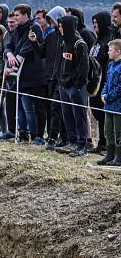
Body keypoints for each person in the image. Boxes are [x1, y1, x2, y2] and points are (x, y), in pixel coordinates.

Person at [6, 4, 46, 144]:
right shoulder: (18, 30)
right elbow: (9, 46)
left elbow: (28, 49)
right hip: (21, 74)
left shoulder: (34, 28)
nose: (15, 18)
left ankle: (38, 135)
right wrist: (9, 54)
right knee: (16, 101)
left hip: (34, 74)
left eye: (17, 15)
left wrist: (14, 62)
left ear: (25, 15)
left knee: (36, 106)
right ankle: (20, 131)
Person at [33, 6, 67, 150]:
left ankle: (56, 138)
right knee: (52, 109)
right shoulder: (51, 37)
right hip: (49, 78)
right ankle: (53, 137)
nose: (51, 22)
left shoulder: (66, 39)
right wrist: (34, 42)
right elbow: (42, 53)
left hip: (61, 79)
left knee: (57, 110)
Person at [57, 15, 90, 156]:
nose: (59, 28)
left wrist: (77, 85)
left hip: (76, 87)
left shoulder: (80, 44)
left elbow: (83, 68)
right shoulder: (64, 42)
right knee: (67, 115)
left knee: (79, 116)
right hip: (64, 86)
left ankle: (82, 145)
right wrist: (61, 80)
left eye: (61, 25)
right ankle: (72, 141)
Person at [89, 11, 113, 154]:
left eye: (96, 23)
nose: (94, 26)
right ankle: (100, 142)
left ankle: (105, 144)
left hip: (103, 81)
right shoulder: (97, 40)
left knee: (104, 115)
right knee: (97, 113)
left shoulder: (109, 39)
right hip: (94, 83)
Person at [97, 39, 121, 166]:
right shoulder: (111, 65)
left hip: (118, 106)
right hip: (108, 105)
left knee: (118, 131)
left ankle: (119, 156)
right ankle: (109, 154)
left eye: (110, 50)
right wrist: (103, 94)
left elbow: (119, 87)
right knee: (108, 130)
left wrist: (109, 96)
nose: (108, 52)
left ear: (118, 51)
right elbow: (106, 82)